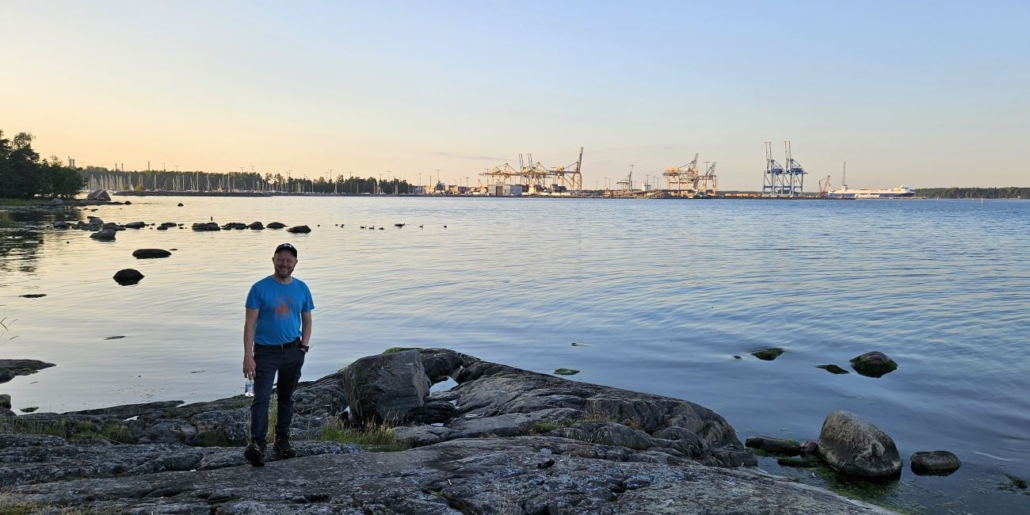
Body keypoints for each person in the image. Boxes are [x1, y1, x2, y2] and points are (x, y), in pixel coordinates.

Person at [242, 242, 314, 467]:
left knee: (286, 397)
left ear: (295, 263)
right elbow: (250, 324)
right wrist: (248, 356)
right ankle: (257, 443)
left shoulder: (302, 288)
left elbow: (307, 320)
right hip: (265, 352)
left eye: (289, 260)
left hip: (293, 351)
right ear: (273, 260)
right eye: (280, 259)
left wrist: (303, 347)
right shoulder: (259, 288)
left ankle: (282, 440)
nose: (284, 263)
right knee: (261, 397)